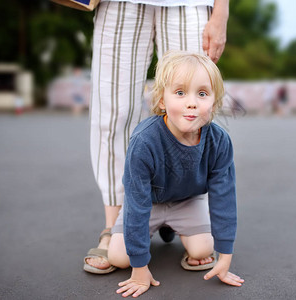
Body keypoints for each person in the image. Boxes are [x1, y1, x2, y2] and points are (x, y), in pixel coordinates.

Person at [84, 0, 229, 273]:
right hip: (118, 3)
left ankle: (183, 210)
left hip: (189, 3)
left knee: (193, 110)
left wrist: (221, 11)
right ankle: (114, 225)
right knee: (113, 114)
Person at [106, 50, 243, 297]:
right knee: (119, 258)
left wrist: (225, 256)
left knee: (203, 250)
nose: (192, 102)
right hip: (149, 202)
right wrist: (139, 268)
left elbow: (224, 197)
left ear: (214, 102)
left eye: (202, 94)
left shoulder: (219, 141)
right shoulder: (144, 141)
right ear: (162, 101)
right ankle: (156, 227)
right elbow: (137, 204)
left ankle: (172, 226)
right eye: (180, 93)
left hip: (186, 200)